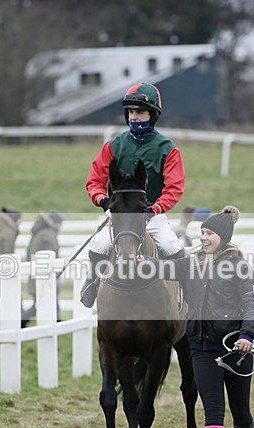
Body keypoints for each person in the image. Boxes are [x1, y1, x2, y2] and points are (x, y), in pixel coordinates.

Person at [163, 206, 254, 428]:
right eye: (202, 232)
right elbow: (160, 267)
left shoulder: (240, 265)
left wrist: (247, 335)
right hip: (202, 348)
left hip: (236, 349)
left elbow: (253, 303)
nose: (203, 238)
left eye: (209, 233)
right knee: (212, 409)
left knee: (241, 410)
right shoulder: (189, 263)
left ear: (223, 236)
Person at [80, 82, 187, 308]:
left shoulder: (167, 148)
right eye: (131, 112)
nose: (134, 117)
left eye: (140, 112)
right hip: (119, 215)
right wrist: (103, 199)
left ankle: (189, 296)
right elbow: (94, 181)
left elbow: (174, 188)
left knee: (171, 246)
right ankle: (92, 282)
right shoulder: (114, 145)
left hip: (151, 214)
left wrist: (155, 209)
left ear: (152, 115)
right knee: (98, 245)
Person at [21, 211, 63, 327]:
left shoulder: (39, 233)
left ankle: (58, 323)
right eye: (60, 223)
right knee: (39, 303)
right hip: (44, 275)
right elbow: (52, 254)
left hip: (37, 274)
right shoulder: (49, 234)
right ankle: (21, 321)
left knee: (49, 301)